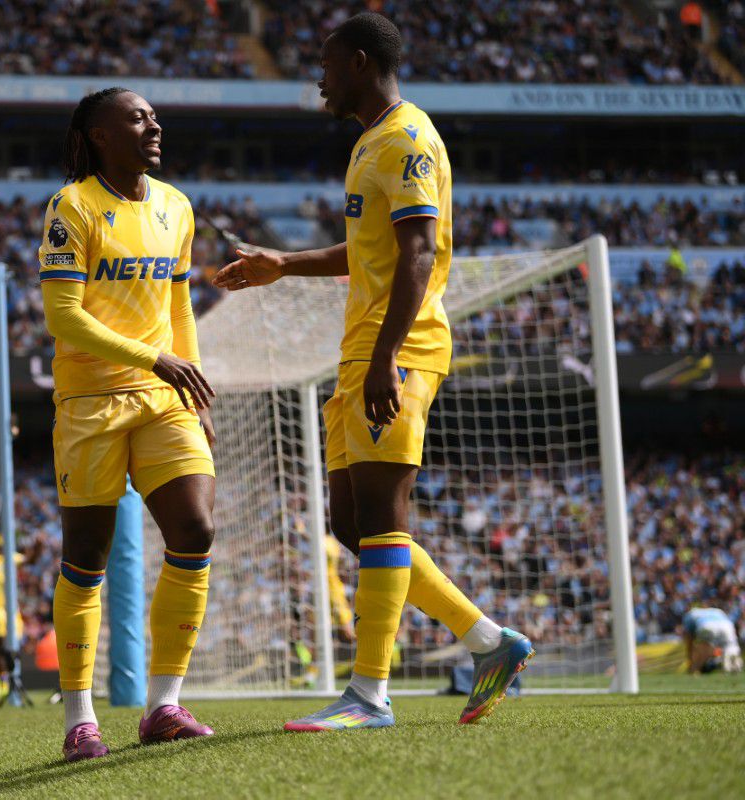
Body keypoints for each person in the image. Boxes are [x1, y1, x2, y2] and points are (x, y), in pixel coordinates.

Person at [214, 12, 534, 731]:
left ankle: (368, 696)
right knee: (353, 527)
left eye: (326, 66)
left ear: (359, 63)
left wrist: (388, 355)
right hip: (358, 349)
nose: (319, 79)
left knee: (384, 521)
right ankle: (491, 641)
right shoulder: (369, 145)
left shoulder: (408, 139)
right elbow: (371, 250)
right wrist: (284, 265)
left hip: (400, 348)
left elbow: (418, 252)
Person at [40, 87, 217, 761]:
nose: (154, 125)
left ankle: (163, 705)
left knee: (196, 528)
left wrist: (189, 383)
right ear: (100, 135)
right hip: (89, 403)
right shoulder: (72, 207)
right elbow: (65, 318)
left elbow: (180, 308)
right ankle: (80, 719)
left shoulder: (176, 206)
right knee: (86, 557)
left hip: (162, 394)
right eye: (138, 117)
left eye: (153, 116)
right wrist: (158, 358)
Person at [682, 606, 742, 674]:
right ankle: (733, 668)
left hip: (707, 625)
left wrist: (690, 659)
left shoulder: (689, 615)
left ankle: (694, 670)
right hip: (727, 626)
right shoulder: (717, 610)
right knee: (731, 648)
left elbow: (689, 641)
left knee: (704, 649)